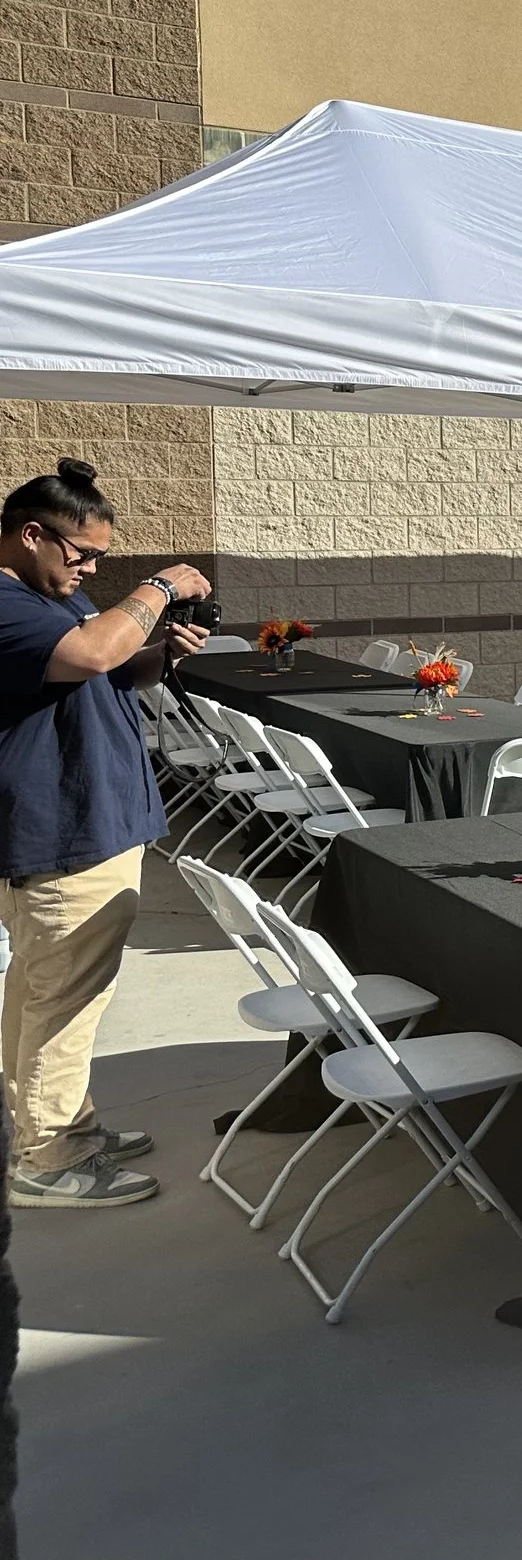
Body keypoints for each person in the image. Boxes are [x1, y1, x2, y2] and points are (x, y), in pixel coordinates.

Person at [0, 461, 211, 1208]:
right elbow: (91, 651)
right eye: (82, 552)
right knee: (64, 1000)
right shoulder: (6, 602)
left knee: (42, 990)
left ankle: (63, 1126)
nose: (90, 569)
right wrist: (156, 586)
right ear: (32, 534)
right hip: (64, 837)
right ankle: (47, 1159)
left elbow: (108, 670)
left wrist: (165, 653)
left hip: (89, 827)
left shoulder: (51, 593)